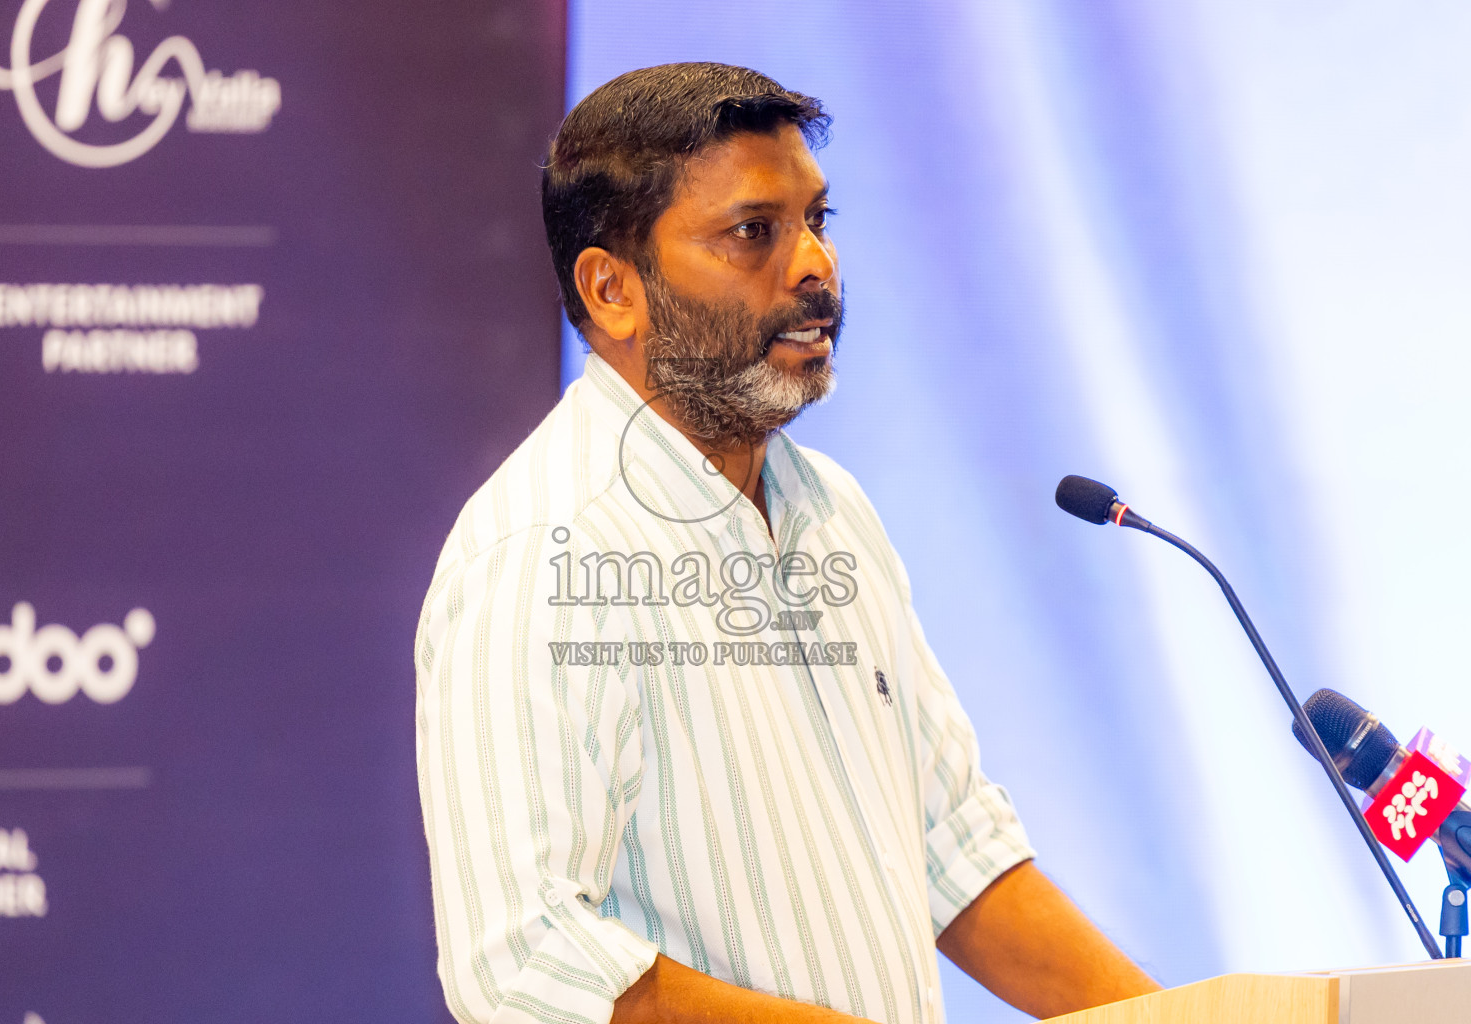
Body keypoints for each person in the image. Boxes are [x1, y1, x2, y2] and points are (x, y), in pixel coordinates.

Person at [416, 62, 1160, 1024]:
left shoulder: (832, 509)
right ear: (611, 290)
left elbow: (953, 850)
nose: (814, 264)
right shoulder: (544, 553)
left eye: (817, 218)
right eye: (753, 232)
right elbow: (526, 963)